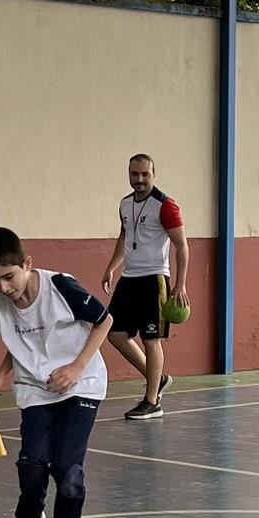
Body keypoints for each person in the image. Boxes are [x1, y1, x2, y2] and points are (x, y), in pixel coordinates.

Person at [0, 228, 112, 518]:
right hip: (36, 388)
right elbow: (19, 345)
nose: (5, 288)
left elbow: (104, 320)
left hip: (82, 384)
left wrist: (77, 367)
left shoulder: (61, 288)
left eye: (9, 277)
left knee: (68, 470)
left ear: (27, 264)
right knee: (32, 462)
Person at [101, 153, 190, 421]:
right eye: (134, 174)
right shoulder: (124, 204)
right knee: (115, 334)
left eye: (144, 174)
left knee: (151, 340)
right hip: (130, 278)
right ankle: (157, 378)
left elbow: (182, 246)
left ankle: (152, 402)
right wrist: (111, 268)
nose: (139, 179)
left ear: (154, 174)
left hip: (155, 279)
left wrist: (180, 284)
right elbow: (124, 236)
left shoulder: (166, 206)